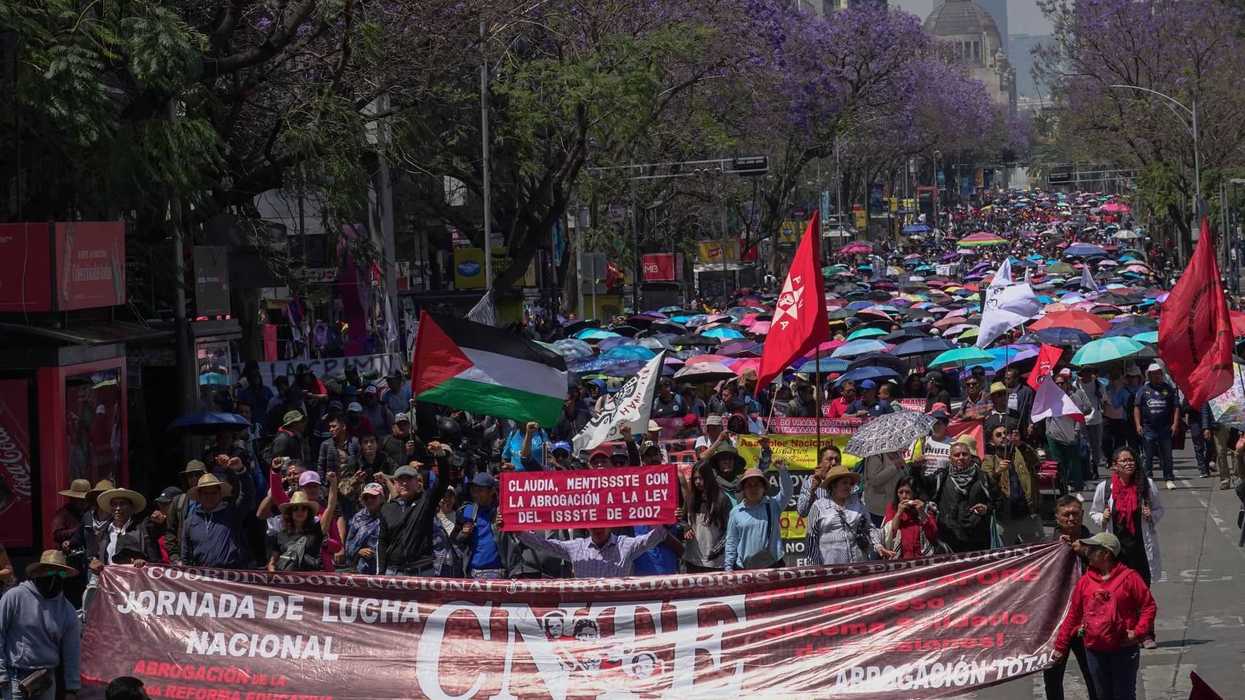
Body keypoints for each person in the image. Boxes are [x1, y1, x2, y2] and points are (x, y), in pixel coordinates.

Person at [1052, 532, 1156, 700]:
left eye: (1093, 549)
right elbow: (1073, 615)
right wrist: (1060, 647)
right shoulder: (1085, 581)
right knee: (1102, 696)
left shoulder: (1130, 578)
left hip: (1123, 649)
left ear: (1106, 553)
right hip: (1094, 650)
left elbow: (1148, 606)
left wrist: (1137, 633)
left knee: (1124, 695)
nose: (1088, 552)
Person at [0, 550, 81, 700]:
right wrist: (1, 673)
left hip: (46, 680)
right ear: (39, 572)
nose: (55, 578)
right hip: (14, 678)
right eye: (50, 572)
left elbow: (72, 652)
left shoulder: (68, 610)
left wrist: (72, 689)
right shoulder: (14, 597)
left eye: (61, 574)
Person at [1044, 495, 1099, 700]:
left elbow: (1110, 570)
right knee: (1053, 678)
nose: (1071, 519)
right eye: (1066, 514)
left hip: (1087, 622)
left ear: (1083, 515)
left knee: (1094, 675)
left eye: (1075, 514)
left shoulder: (1095, 544)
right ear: (1057, 518)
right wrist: (1056, 551)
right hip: (1057, 624)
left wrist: (1084, 551)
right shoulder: (1046, 547)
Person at [1089, 447, 1163, 592]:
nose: (1129, 463)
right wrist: (1102, 517)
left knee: (1141, 591)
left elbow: (1159, 509)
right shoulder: (1104, 488)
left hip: (1140, 550)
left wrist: (1150, 515)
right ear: (1115, 465)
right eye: (1124, 461)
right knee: (1118, 591)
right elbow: (1094, 512)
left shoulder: (1146, 485)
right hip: (1116, 552)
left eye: (1131, 460)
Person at [378, 446, 455, 576]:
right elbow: (382, 541)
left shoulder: (425, 502)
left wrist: (440, 456)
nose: (404, 483)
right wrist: (380, 573)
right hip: (393, 572)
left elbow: (443, 481)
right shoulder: (387, 508)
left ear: (417, 482)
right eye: (400, 480)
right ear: (395, 483)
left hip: (422, 572)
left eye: (408, 479)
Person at [914, 436, 994, 553]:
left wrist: (986, 508)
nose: (961, 458)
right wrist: (916, 469)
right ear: (950, 458)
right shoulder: (941, 477)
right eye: (957, 455)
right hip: (948, 536)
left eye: (964, 454)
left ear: (970, 456)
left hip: (977, 538)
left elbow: (998, 502)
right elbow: (922, 488)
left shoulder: (983, 478)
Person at [514, 520, 668, 578]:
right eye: (593, 524)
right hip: (586, 613)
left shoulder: (626, 545)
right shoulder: (576, 547)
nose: (597, 528)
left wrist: (668, 521)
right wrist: (515, 530)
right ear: (586, 525)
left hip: (617, 613)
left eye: (601, 522)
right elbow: (543, 545)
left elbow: (651, 539)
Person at [803, 463, 887, 564]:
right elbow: (811, 538)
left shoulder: (858, 504)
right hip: (830, 568)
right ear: (833, 485)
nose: (848, 486)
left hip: (858, 565)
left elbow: (870, 528)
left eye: (850, 484)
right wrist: (814, 567)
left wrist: (878, 545)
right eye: (844, 483)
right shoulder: (818, 506)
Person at [181, 463, 257, 569]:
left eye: (213, 493)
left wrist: (241, 471)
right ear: (199, 495)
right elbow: (186, 556)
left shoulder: (233, 513)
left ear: (220, 494)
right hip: (203, 579)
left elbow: (247, 495)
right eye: (206, 493)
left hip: (233, 576)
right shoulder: (190, 522)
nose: (210, 497)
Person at [723, 458, 793, 571]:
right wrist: (728, 568)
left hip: (773, 567)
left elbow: (787, 492)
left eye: (757, 484)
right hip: (744, 569)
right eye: (749, 485)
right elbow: (731, 541)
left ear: (764, 488)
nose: (753, 488)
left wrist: (782, 471)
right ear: (744, 489)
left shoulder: (773, 505)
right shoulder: (736, 512)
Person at [981, 421, 1043, 545]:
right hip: (1005, 513)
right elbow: (985, 482)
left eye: (1006, 433)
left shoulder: (1020, 451)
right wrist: (997, 471)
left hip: (1026, 510)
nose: (1004, 436)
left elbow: (1036, 462)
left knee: (1033, 545)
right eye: (998, 435)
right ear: (992, 441)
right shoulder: (990, 459)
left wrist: (1021, 444)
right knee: (1007, 547)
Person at [266, 474, 338, 572]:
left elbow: (330, 507)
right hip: (288, 583)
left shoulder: (316, 531)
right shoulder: (281, 535)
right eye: (295, 509)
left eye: (304, 509)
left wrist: (333, 483)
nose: (300, 512)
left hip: (313, 582)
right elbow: (272, 563)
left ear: (308, 512)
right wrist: (273, 573)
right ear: (290, 513)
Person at [90, 487, 160, 572]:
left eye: (122, 504)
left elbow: (154, 557)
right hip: (110, 582)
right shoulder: (104, 532)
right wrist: (95, 562)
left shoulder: (142, 529)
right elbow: (97, 556)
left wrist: (143, 562)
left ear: (131, 508)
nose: (118, 508)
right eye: (114, 504)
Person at [1133, 363, 1179, 490]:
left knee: (1167, 455)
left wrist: (1175, 424)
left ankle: (1169, 478)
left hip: (1165, 428)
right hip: (1148, 429)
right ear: (1149, 375)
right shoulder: (1143, 390)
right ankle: (1148, 479)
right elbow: (1136, 407)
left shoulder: (1168, 389)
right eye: (1154, 373)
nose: (1157, 375)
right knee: (1148, 456)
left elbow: (1176, 407)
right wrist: (1138, 424)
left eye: (1159, 373)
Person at [680, 460, 730, 571]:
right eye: (695, 479)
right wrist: (685, 528)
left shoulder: (722, 500)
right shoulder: (690, 499)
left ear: (709, 478)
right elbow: (682, 521)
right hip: (692, 561)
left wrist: (716, 551)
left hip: (715, 564)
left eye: (701, 478)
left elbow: (730, 531)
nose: (697, 482)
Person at [1047, 369, 1091, 493]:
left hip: (1071, 434)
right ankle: (1063, 485)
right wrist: (1048, 431)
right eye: (1057, 383)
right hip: (1054, 434)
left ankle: (1078, 484)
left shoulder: (1074, 397)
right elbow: (1048, 416)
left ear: (1067, 384)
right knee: (1059, 462)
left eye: (1062, 383)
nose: (1059, 385)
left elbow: (1079, 415)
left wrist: (1077, 431)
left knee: (1073, 461)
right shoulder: (1051, 398)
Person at [457, 472, 504, 579]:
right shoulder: (467, 511)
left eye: (480, 490)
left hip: (498, 574)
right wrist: (463, 533)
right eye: (474, 491)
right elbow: (456, 542)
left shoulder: (502, 511)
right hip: (473, 573)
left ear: (492, 491)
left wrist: (502, 526)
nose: (476, 494)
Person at [881, 477, 940, 560]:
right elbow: (890, 532)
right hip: (899, 559)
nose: (904, 496)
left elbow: (933, 533)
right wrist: (899, 513)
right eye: (900, 492)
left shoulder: (926, 507)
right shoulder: (892, 508)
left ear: (915, 493)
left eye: (908, 492)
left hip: (922, 558)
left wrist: (921, 512)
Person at [344, 482, 385, 573]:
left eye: (373, 497)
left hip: (383, 568)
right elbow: (348, 544)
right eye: (366, 497)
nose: (369, 500)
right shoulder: (358, 518)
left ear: (381, 498)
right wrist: (358, 551)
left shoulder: (388, 515)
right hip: (361, 568)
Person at [1078, 367, 1106, 480]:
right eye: (1085, 372)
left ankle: (1094, 467)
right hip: (1082, 419)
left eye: (1090, 372)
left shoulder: (1099, 385)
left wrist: (1099, 395)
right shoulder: (1077, 385)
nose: (1088, 374)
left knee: (1096, 446)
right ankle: (1086, 469)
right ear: (1081, 374)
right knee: (1085, 446)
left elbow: (1104, 400)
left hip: (1096, 419)